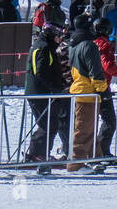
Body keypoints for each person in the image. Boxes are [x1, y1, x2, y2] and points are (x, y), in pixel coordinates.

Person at [24, 24, 69, 171]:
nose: (60, 38)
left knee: (50, 124)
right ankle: (38, 154)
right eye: (58, 34)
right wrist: (55, 89)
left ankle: (38, 153)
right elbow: (40, 73)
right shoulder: (43, 47)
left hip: (43, 92)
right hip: (39, 93)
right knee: (47, 124)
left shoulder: (45, 45)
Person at [66, 16, 108, 172]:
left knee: (89, 129)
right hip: (87, 92)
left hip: (79, 89)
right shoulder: (89, 45)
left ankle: (95, 158)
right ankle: (76, 164)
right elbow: (95, 71)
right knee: (83, 130)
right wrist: (103, 90)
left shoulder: (73, 44)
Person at [93, 18, 117, 159]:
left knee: (91, 121)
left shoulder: (93, 43)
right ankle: (101, 151)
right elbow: (107, 66)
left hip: (93, 86)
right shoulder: (103, 44)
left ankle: (97, 150)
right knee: (110, 121)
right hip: (101, 86)